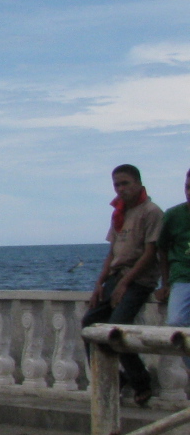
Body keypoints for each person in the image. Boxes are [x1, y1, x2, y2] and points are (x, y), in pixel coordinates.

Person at [84, 164, 165, 407]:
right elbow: (112, 251)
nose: (121, 189)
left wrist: (125, 284)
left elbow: (150, 253)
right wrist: (100, 283)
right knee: (89, 324)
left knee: (117, 327)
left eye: (125, 183)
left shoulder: (151, 212)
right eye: (117, 185)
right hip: (116, 276)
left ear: (138, 184)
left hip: (138, 280)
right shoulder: (120, 212)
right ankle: (115, 377)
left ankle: (141, 381)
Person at [157, 169, 190, 388]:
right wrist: (165, 282)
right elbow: (162, 248)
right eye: (187, 187)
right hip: (182, 276)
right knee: (175, 322)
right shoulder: (174, 215)